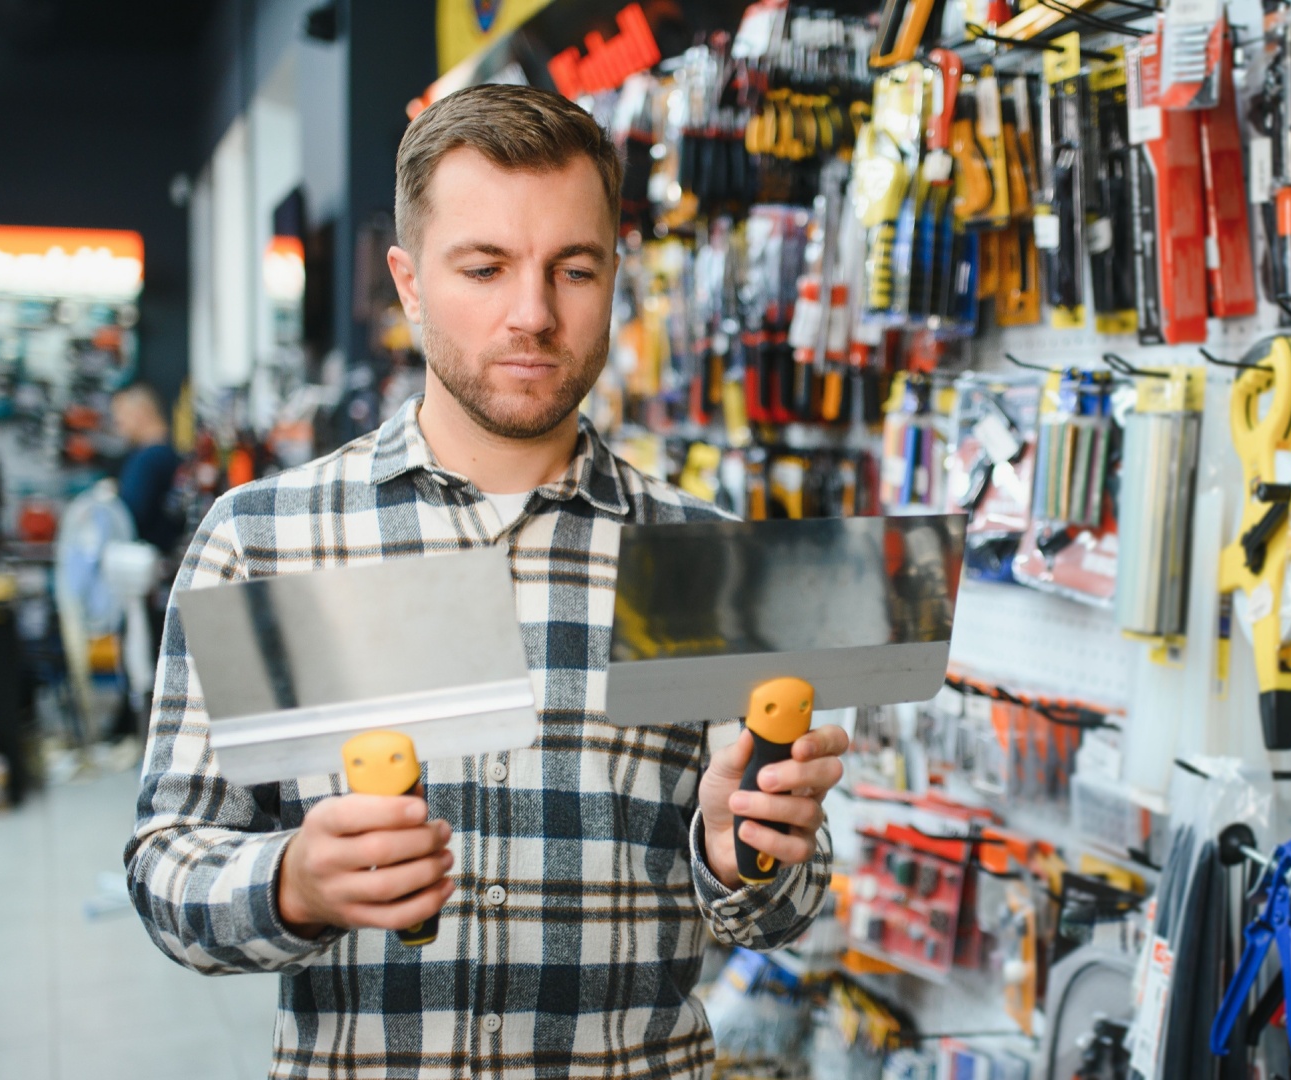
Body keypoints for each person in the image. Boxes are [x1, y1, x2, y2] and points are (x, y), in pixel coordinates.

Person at [125, 84, 846, 1079]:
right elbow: (169, 864)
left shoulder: (704, 558)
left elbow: (785, 910)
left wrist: (739, 849)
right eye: (485, 267)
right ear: (409, 283)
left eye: (574, 268)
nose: (533, 314)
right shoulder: (266, 540)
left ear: (614, 278)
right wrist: (295, 880)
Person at [109, 382, 183, 553]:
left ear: (139, 414)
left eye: (121, 418)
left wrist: (112, 498)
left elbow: (128, 515)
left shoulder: (147, 459)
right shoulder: (171, 453)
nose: (118, 426)